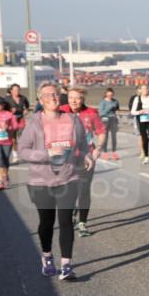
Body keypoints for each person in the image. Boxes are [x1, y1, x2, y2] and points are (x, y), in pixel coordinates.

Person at [17, 83, 92, 281]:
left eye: (56, 94)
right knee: (46, 222)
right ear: (40, 100)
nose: (53, 97)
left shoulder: (73, 120)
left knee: (66, 221)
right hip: (40, 181)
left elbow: (83, 144)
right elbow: (22, 150)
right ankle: (47, 256)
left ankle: (66, 265)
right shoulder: (34, 123)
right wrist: (47, 153)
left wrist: (86, 155)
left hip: (68, 177)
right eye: (48, 95)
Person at [60, 88, 106, 237]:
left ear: (83, 99)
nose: (73, 101)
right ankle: (72, 209)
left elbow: (101, 132)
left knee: (84, 190)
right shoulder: (61, 111)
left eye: (77, 98)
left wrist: (98, 148)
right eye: (71, 98)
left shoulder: (91, 113)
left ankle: (82, 223)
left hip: (86, 157)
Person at [0, 92, 18, 189]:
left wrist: (8, 127)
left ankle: (5, 176)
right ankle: (1, 181)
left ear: (3, 105)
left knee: (5, 160)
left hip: (7, 140)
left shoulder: (9, 114)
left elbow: (15, 126)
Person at [128, 83, 149, 163]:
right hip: (141, 119)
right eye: (143, 89)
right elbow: (132, 112)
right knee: (144, 138)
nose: (145, 90)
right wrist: (140, 112)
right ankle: (146, 156)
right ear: (140, 90)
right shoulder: (137, 99)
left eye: (146, 89)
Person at [4, 83, 31, 164]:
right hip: (11, 120)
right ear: (11, 91)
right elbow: (3, 109)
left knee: (23, 138)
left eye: (18, 90)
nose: (17, 92)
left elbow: (27, 106)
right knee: (13, 139)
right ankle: (15, 156)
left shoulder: (23, 98)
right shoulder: (7, 99)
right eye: (15, 90)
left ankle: (24, 154)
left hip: (21, 119)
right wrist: (9, 111)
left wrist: (26, 110)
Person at [98, 88, 121, 160]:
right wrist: (109, 108)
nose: (110, 96)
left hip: (113, 119)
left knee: (114, 136)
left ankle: (114, 152)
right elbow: (101, 113)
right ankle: (105, 152)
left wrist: (117, 114)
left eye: (111, 95)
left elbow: (117, 110)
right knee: (106, 136)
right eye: (108, 95)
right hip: (105, 119)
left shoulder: (115, 101)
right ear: (106, 94)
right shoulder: (103, 102)